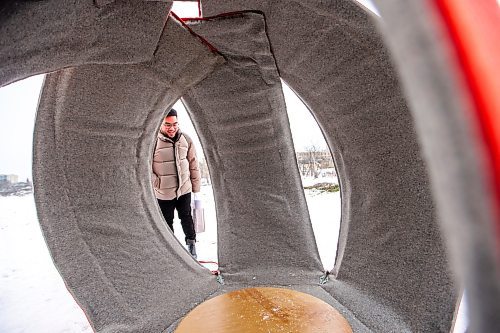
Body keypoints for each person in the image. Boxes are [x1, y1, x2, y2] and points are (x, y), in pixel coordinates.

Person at [152, 108, 200, 258]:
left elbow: (193, 164)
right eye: (167, 125)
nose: (172, 128)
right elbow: (144, 167)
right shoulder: (153, 142)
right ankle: (171, 253)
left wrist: (196, 189)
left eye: (175, 124)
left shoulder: (186, 139)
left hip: (184, 189)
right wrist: (156, 182)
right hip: (164, 192)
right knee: (167, 223)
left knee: (186, 217)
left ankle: (191, 246)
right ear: (160, 123)